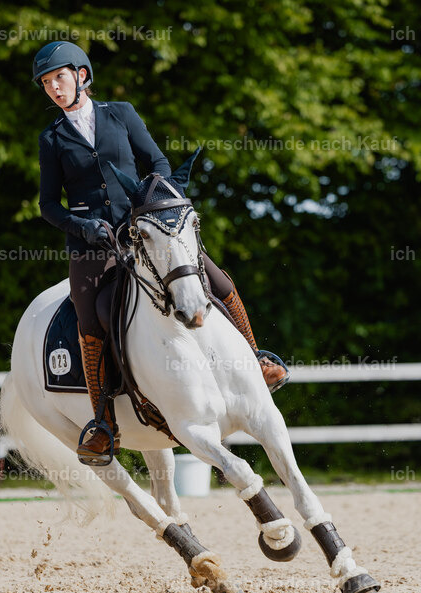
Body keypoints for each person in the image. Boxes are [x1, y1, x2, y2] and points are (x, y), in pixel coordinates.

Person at [33, 41, 288, 463]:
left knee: (218, 280)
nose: (54, 88)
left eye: (59, 77)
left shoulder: (121, 114)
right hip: (92, 246)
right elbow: (48, 205)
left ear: (81, 75)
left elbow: (159, 163)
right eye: (46, 83)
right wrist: (82, 226)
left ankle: (257, 359)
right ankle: (102, 421)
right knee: (89, 316)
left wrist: (150, 207)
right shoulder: (52, 138)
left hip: (144, 231)